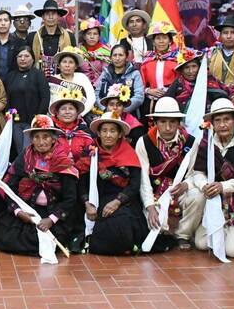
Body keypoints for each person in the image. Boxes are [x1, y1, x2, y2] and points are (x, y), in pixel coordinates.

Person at [0, 115, 78, 257]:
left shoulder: (62, 160)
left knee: (50, 238)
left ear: (53, 139)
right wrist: (18, 211)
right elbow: (10, 188)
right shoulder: (24, 157)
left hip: (52, 211)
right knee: (7, 239)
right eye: (36, 137)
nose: (41, 142)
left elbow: (70, 197)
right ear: (31, 139)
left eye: (46, 137)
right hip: (29, 209)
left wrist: (51, 220)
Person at [190, 99, 234, 258]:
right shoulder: (206, 143)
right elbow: (198, 173)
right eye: (218, 120)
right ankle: (225, 230)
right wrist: (204, 186)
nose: (223, 125)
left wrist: (223, 186)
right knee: (201, 244)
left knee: (232, 251)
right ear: (212, 124)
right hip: (216, 202)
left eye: (227, 119)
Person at [135, 96, 204, 251]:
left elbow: (195, 172)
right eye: (162, 122)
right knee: (156, 227)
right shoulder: (144, 142)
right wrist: (150, 206)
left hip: (180, 189)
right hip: (155, 192)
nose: (167, 127)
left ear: (179, 123)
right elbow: (143, 178)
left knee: (198, 197)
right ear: (155, 122)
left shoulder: (190, 142)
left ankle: (183, 235)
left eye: (172, 122)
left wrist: (187, 184)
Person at [80, 112, 148, 255]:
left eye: (112, 131)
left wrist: (117, 202)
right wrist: (87, 203)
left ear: (119, 134)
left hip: (125, 199)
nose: (108, 135)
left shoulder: (129, 153)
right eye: (104, 131)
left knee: (122, 220)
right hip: (99, 199)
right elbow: (82, 182)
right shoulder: (92, 153)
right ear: (98, 133)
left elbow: (135, 184)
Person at [3, 47, 50, 157]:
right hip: (15, 122)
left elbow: (45, 97)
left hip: (32, 122)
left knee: (29, 151)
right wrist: (8, 115)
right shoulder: (10, 76)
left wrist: (38, 119)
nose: (23, 59)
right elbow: (6, 98)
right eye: (20, 56)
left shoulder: (38, 74)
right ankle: (23, 173)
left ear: (33, 59)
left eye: (26, 56)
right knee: (20, 153)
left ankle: (32, 173)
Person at [165, 48, 233, 112]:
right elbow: (167, 102)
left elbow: (221, 99)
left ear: (200, 67)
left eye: (194, 66)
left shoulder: (210, 82)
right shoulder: (177, 84)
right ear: (181, 71)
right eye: (186, 67)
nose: (191, 71)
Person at [28, 0, 77, 78]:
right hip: (38, 80)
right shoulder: (32, 36)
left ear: (58, 16)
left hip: (63, 82)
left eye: (53, 13)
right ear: (43, 17)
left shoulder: (69, 36)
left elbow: (75, 61)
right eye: (47, 14)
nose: (50, 17)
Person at [49, 91, 94, 176]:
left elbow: (90, 154)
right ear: (57, 114)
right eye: (63, 109)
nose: (67, 112)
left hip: (81, 174)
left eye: (71, 108)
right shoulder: (50, 131)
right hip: (54, 174)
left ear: (77, 113)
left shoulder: (84, 131)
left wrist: (75, 169)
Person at [93, 43, 144, 118]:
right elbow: (96, 94)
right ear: (110, 58)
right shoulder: (105, 74)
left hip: (129, 116)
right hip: (107, 116)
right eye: (115, 55)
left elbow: (139, 97)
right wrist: (105, 109)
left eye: (120, 55)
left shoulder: (134, 74)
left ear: (126, 58)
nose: (117, 58)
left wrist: (121, 110)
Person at [139, 21, 179, 114]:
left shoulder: (177, 60)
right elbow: (140, 83)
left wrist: (169, 92)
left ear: (170, 41)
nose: (161, 41)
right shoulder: (147, 60)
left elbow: (181, 82)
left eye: (165, 38)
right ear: (153, 41)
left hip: (173, 101)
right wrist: (149, 91)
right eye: (158, 38)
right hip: (151, 102)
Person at [48, 46, 95, 117]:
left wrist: (80, 114)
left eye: (71, 62)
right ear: (59, 66)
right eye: (64, 62)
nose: (67, 65)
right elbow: (49, 101)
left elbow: (91, 98)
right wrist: (56, 115)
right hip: (57, 117)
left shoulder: (82, 77)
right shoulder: (52, 80)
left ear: (76, 66)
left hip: (81, 116)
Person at [78, 17, 111, 86]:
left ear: (99, 37)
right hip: (81, 87)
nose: (92, 37)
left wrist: (95, 86)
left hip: (101, 88)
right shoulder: (78, 51)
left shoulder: (106, 51)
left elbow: (106, 72)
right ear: (84, 36)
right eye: (89, 34)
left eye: (95, 34)